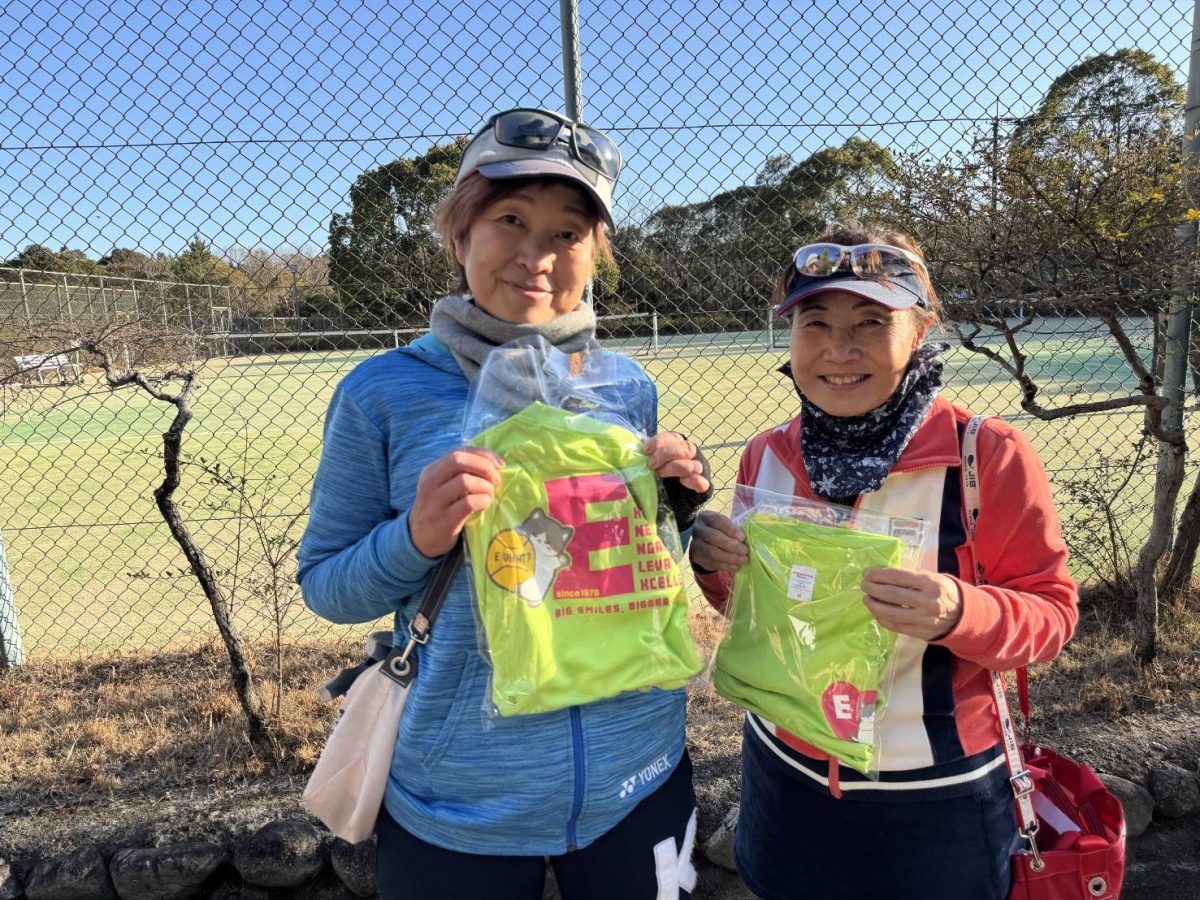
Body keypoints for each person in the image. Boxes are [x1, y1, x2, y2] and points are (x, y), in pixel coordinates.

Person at [298, 108, 711, 900]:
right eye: (511, 220)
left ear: (595, 252)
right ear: (460, 235)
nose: (536, 256)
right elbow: (326, 586)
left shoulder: (626, 388)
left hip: (640, 775)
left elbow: (637, 567)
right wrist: (416, 536)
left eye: (567, 233)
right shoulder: (382, 393)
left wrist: (679, 511)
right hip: (456, 803)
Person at [688, 222, 1079, 900]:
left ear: (921, 329)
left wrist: (960, 610)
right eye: (815, 322)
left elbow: (1052, 615)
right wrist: (715, 565)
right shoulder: (765, 454)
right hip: (783, 774)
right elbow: (755, 610)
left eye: (871, 322)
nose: (839, 350)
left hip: (936, 797)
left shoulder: (986, 455)